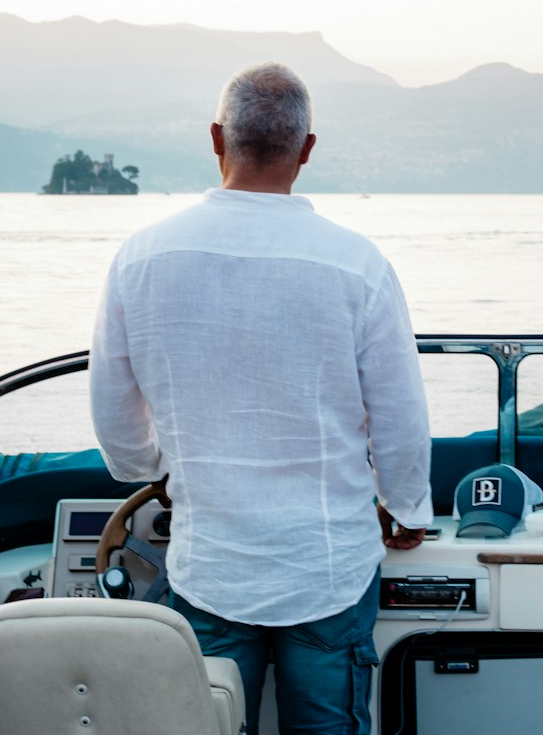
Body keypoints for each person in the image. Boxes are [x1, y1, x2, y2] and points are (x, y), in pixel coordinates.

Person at [89, 62, 432, 735]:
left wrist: (153, 464)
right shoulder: (356, 264)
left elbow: (117, 424)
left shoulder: (141, 257)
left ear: (217, 137)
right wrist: (409, 504)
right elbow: (399, 415)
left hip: (210, 565)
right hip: (327, 567)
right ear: (306, 148)